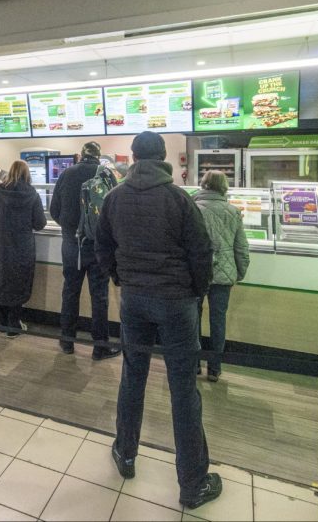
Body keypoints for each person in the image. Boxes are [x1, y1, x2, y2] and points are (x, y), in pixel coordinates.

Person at [95, 131, 223, 509]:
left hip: (134, 299)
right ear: (164, 156)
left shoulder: (115, 197)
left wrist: (122, 278)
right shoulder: (178, 199)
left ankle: (126, 453)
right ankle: (192, 483)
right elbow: (201, 254)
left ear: (133, 157)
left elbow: (103, 246)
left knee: (133, 376)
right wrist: (195, 293)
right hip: (177, 302)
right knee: (183, 388)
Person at [49, 141, 120, 360]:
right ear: (99, 156)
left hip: (72, 244)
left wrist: (70, 230)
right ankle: (100, 347)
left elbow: (54, 210)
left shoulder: (67, 174)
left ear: (80, 155)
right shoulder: (107, 175)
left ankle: (67, 341)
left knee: (70, 291)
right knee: (99, 297)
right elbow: (114, 212)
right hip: (98, 246)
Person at [0, 160, 46, 337]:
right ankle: (14, 325)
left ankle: (1, 323)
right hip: (21, 247)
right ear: (27, 174)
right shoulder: (32, 194)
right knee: (18, 283)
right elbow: (40, 223)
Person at [193, 171, 250, 382]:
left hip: (197, 274)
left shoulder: (192, 208)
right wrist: (239, 272)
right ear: (224, 187)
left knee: (193, 319)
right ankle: (215, 369)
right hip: (223, 276)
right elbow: (241, 248)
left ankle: (194, 364)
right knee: (218, 321)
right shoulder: (233, 212)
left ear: (204, 185)